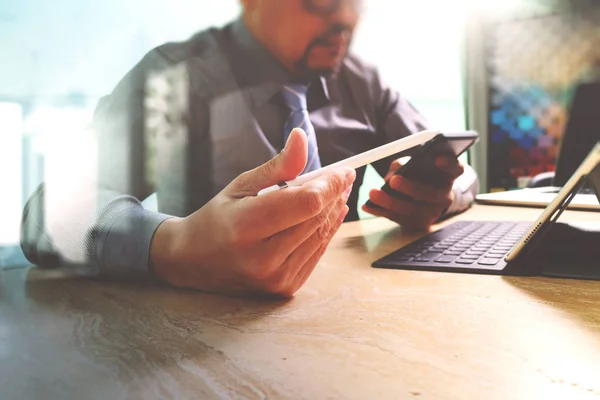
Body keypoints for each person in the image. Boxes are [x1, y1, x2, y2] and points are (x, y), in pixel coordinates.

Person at [20, 0, 478, 297]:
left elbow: (454, 163)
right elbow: (50, 214)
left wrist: (442, 195)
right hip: (210, 339)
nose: (345, 18)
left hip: (359, 320)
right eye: (320, 2)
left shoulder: (361, 80)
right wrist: (174, 245)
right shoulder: (175, 78)